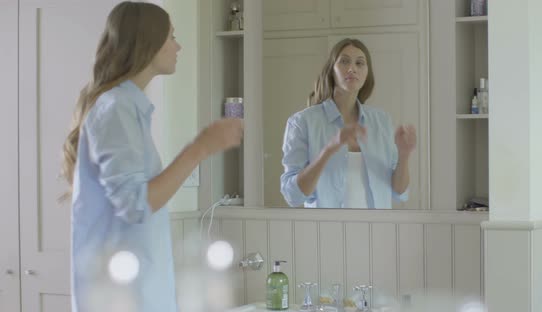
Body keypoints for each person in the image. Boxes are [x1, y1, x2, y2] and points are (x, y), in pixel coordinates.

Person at [60, 2, 243, 311]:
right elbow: (136, 205)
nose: (178, 45)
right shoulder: (116, 109)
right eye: (171, 37)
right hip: (120, 299)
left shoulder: (129, 109)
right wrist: (200, 148)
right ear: (149, 43)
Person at [280, 38, 416, 209]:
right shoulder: (301, 122)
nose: (352, 68)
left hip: (377, 231)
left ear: (367, 74)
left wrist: (404, 155)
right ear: (331, 70)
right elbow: (293, 196)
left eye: (360, 63)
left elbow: (399, 192)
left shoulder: (382, 121)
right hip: (325, 232)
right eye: (344, 61)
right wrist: (329, 149)